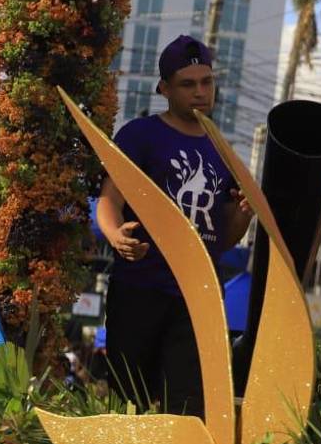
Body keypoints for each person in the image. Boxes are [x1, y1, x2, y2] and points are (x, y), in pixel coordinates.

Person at [95, 35, 252, 416]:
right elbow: (109, 199)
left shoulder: (223, 151)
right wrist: (116, 235)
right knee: (127, 403)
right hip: (139, 290)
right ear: (164, 89)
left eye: (207, 82)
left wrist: (243, 215)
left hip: (198, 299)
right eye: (187, 84)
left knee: (186, 411)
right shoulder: (140, 135)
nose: (200, 92)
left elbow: (223, 239)